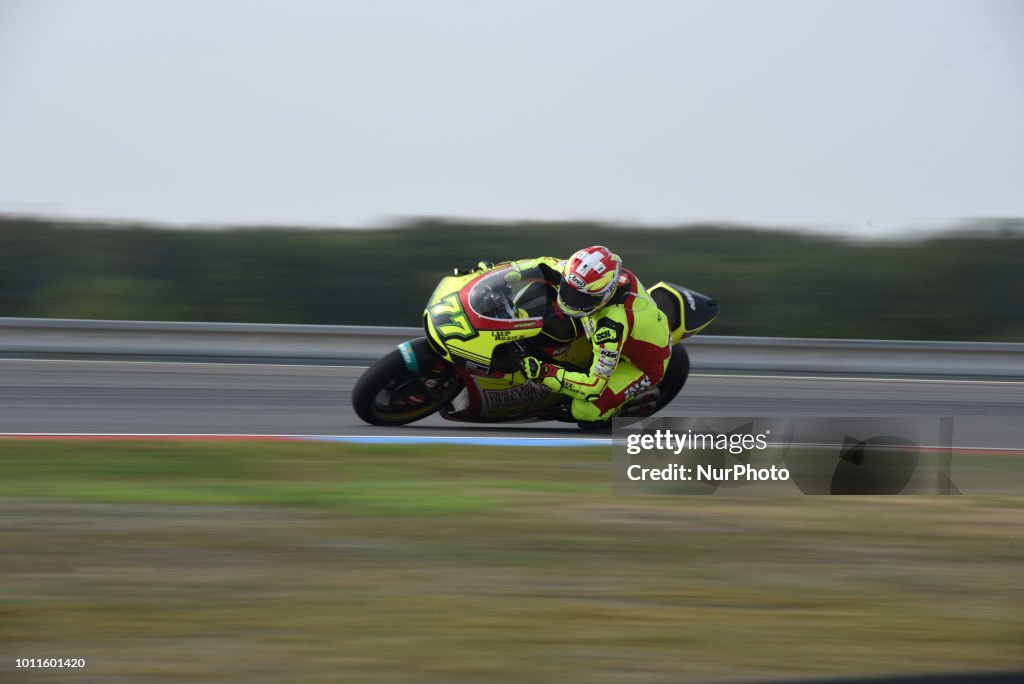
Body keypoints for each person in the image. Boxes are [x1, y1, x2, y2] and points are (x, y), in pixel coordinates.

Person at [519, 246, 672, 424]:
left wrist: (544, 372)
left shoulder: (611, 326)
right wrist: (493, 272)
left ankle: (628, 404)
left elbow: (593, 386)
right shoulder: (581, 276)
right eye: (568, 290)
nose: (570, 302)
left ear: (604, 295)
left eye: (581, 299)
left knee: (584, 412)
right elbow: (540, 263)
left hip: (644, 364)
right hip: (627, 324)